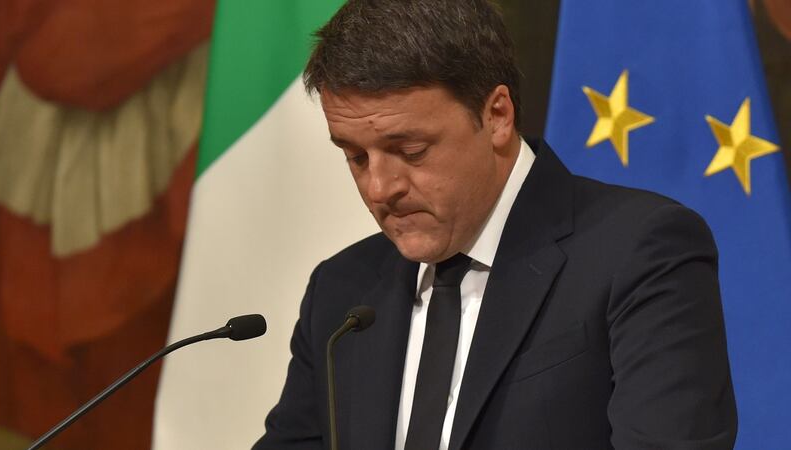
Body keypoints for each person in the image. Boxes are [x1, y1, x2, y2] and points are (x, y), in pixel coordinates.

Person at [253, 0, 737, 449]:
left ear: (497, 115)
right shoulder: (341, 291)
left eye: (411, 151)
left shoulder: (642, 252)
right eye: (355, 156)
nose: (379, 188)